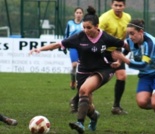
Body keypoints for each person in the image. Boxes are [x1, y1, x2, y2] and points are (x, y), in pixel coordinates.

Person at [29, 6, 127, 134]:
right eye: (84, 27)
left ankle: (79, 123)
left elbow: (125, 45)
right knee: (87, 104)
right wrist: (40, 49)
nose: (86, 30)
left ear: (97, 26)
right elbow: (58, 44)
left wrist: (120, 60)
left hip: (102, 69)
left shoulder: (105, 37)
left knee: (84, 90)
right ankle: (94, 116)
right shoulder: (79, 37)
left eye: (89, 27)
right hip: (83, 72)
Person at [112, 19, 155, 134]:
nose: (130, 37)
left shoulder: (150, 43)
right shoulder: (130, 41)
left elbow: (143, 64)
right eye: (128, 34)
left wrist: (124, 60)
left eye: (132, 33)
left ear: (141, 32)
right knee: (142, 103)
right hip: (146, 75)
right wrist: (118, 62)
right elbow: (125, 51)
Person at [98, 0, 131, 115]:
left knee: (122, 76)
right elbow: (97, 35)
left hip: (117, 51)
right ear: (111, 5)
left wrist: (123, 50)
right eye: (115, 5)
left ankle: (116, 107)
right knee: (97, 80)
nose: (118, 7)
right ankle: (77, 99)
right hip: (104, 51)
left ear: (124, 6)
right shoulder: (104, 18)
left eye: (120, 5)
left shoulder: (127, 17)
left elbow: (125, 35)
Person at [64, 7, 84, 90]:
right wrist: (64, 45)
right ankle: (73, 80)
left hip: (83, 47)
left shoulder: (85, 23)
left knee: (83, 66)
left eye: (80, 13)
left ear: (82, 14)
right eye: (77, 12)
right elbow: (66, 35)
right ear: (74, 14)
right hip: (73, 46)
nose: (78, 14)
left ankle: (81, 83)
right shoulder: (70, 23)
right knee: (74, 65)